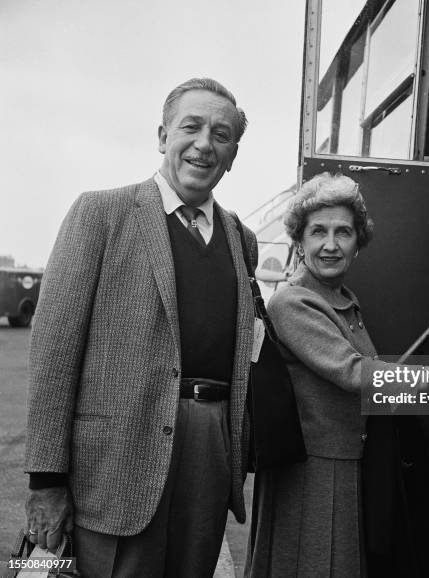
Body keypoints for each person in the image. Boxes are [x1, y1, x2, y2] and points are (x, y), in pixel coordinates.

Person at [24, 77, 258, 578]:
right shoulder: (101, 214)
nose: (204, 144)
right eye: (190, 127)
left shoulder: (243, 238)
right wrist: (46, 479)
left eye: (221, 135)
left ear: (233, 155)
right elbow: (53, 352)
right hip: (116, 461)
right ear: (161, 136)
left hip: (209, 453)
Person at [245, 172, 429, 577]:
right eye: (318, 231)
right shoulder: (294, 303)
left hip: (348, 465)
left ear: (359, 244)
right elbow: (356, 373)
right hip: (313, 473)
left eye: (344, 232)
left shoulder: (340, 301)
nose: (331, 244)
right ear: (299, 242)